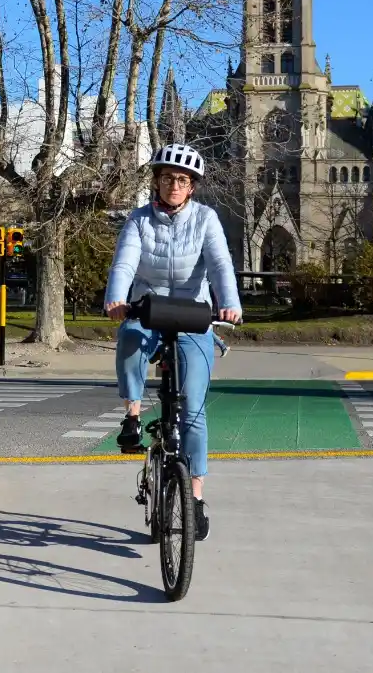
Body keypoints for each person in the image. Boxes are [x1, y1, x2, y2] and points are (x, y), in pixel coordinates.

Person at [103, 143, 241, 542]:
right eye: (167, 178)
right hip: (148, 309)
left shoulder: (206, 219)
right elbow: (125, 262)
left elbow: (220, 264)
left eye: (182, 180)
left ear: (192, 186)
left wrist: (230, 304)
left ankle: (194, 497)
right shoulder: (139, 220)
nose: (174, 186)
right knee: (130, 339)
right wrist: (116, 299)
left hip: (194, 315)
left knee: (193, 413)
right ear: (157, 182)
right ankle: (132, 416)